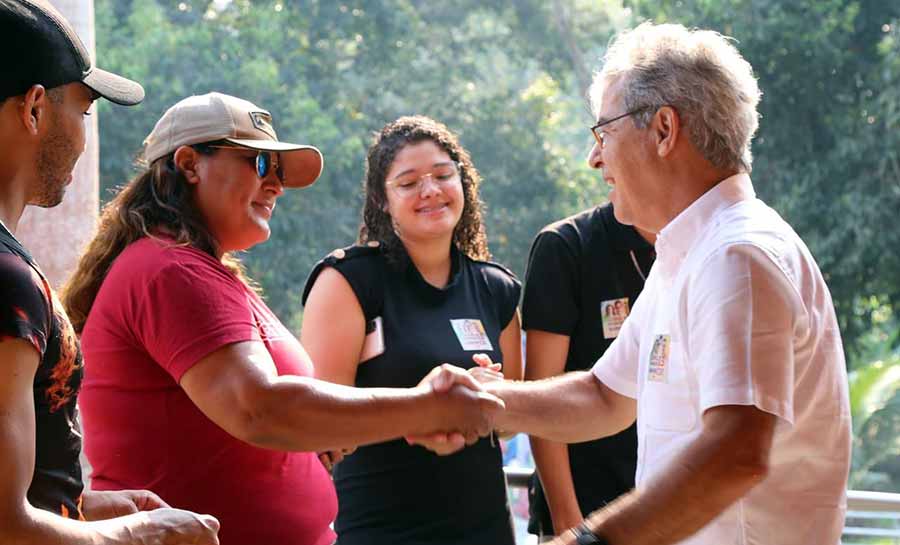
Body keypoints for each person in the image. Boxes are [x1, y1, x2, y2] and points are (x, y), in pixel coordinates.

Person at [414, 22, 852, 545]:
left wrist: (584, 541)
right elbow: (603, 396)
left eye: (603, 133)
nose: (594, 157)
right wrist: (487, 400)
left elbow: (736, 454)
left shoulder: (737, 256)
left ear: (664, 130)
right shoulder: (687, 254)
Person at [61, 94, 502, 545]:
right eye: (258, 165)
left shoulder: (199, 270)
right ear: (190, 164)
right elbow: (259, 407)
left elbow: (263, 416)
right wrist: (426, 406)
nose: (276, 185)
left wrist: (317, 435)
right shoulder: (169, 269)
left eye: (279, 171)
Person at [0, 1, 220, 543]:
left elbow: (24, 497)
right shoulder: (6, 281)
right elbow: (6, 525)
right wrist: (142, 533)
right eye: (86, 110)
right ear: (33, 109)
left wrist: (82, 507)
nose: (84, 135)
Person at [300, 115, 523, 545]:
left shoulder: (497, 288)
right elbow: (319, 425)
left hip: (484, 530)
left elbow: (510, 426)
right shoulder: (348, 280)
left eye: (443, 175)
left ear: (464, 183)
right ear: (382, 200)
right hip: (380, 529)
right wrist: (427, 408)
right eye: (408, 183)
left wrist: (491, 395)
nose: (430, 191)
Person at [522, 203, 654, 541]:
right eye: (599, 145)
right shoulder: (566, 246)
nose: (596, 159)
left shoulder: (696, 244)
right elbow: (542, 397)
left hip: (675, 507)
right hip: (587, 509)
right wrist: (571, 527)